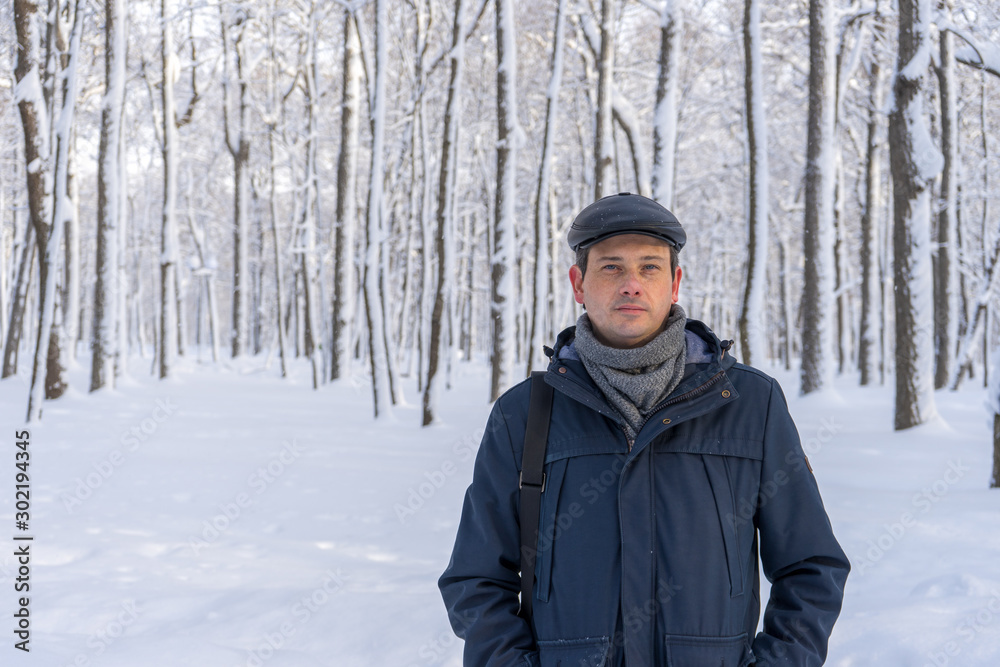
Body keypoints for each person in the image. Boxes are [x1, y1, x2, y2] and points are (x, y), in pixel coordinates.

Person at [439, 193, 849, 667]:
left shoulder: (750, 404)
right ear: (579, 283)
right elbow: (475, 578)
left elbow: (811, 567)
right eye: (611, 267)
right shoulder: (525, 414)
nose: (632, 284)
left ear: (674, 283)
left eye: (649, 268)